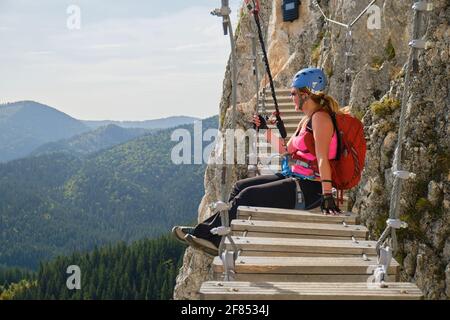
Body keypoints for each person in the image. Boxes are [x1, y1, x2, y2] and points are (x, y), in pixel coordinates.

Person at [172, 67, 342, 256]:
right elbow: (287, 150)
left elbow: (322, 158)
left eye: (293, 93)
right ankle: (217, 234)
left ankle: (207, 235)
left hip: (311, 188)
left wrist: (327, 195)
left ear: (306, 93)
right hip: (296, 177)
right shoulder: (307, 120)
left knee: (248, 196)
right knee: (239, 187)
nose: (291, 97)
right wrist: (264, 130)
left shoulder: (320, 119)